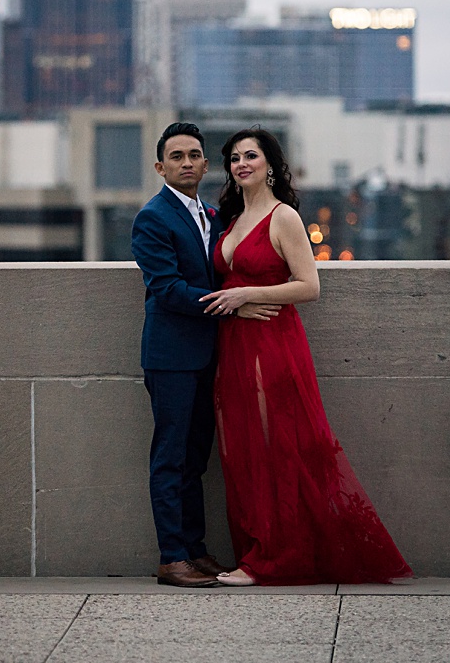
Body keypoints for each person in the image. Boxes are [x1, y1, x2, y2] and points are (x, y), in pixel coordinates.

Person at [200, 127, 412, 586]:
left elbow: (309, 285)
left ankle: (272, 560)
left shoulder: (284, 218)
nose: (241, 164)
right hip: (234, 346)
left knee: (275, 449)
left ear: (271, 165)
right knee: (243, 451)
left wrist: (249, 294)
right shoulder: (230, 219)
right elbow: (226, 283)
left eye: (250, 156)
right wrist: (238, 299)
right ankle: (257, 551)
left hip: (273, 346)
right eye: (234, 158)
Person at [130, 122, 282, 587]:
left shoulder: (213, 215)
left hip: (207, 355)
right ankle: (172, 556)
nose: (188, 163)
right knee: (170, 457)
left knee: (196, 457)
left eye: (195, 155)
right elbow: (167, 288)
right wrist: (231, 305)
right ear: (161, 167)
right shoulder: (152, 218)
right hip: (171, 355)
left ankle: (194, 550)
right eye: (177, 157)